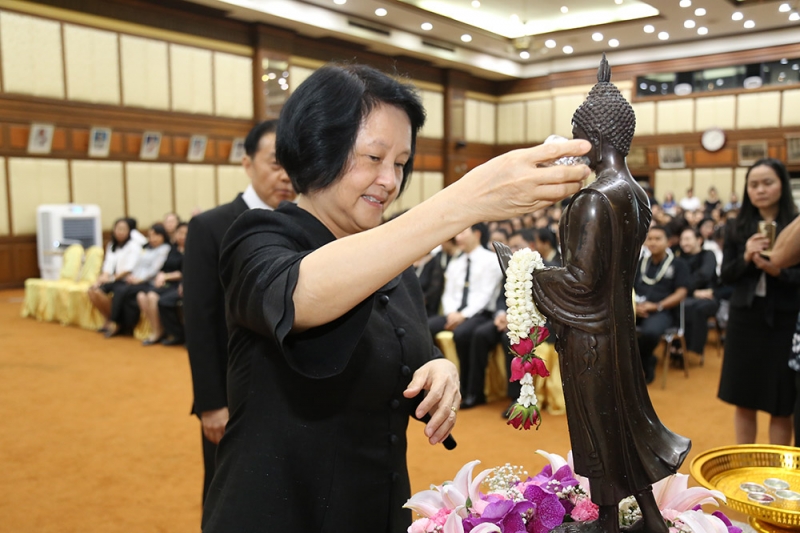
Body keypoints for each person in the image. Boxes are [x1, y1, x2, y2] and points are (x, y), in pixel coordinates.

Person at [201, 63, 590, 533]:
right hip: (278, 511)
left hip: (373, 507)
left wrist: (439, 369)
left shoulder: (393, 261)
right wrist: (466, 199)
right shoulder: (258, 237)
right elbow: (301, 296)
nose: (389, 180)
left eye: (401, 163)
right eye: (373, 157)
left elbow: (409, 353)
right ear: (317, 150)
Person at [525, 57, 691, 533]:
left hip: (591, 334)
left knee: (600, 428)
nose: (578, 148)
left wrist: (528, 275)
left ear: (596, 139)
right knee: (621, 423)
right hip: (618, 324)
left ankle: (608, 524)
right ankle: (650, 517)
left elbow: (581, 281)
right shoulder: (635, 192)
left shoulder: (596, 197)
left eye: (580, 139)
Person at [183, 119, 296, 504]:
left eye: (293, 164)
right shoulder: (210, 227)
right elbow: (199, 321)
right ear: (247, 163)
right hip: (233, 397)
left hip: (293, 398)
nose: (286, 175)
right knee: (228, 495)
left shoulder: (303, 227)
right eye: (276, 163)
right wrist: (211, 404)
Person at [718, 158, 800, 445]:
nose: (760, 190)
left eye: (768, 183)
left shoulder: (795, 225)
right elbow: (726, 276)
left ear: (782, 185)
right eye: (753, 184)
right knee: (745, 398)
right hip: (745, 319)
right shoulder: (736, 226)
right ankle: (745, 463)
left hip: (784, 319)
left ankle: (776, 467)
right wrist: (745, 257)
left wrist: (778, 270)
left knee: (781, 403)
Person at [428, 223, 504, 408]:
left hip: (481, 313)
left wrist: (463, 315)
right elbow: (448, 294)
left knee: (463, 334)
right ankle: (430, 383)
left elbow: (485, 295)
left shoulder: (491, 260)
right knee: (425, 327)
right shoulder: (456, 262)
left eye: (462, 233)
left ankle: (472, 391)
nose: (457, 238)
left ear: (477, 234)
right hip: (455, 313)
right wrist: (452, 314)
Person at [634, 225, 690, 383]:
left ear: (669, 242)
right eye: (650, 239)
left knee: (650, 333)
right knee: (616, 327)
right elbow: (628, 288)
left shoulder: (679, 264)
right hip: (637, 309)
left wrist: (657, 306)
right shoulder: (640, 263)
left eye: (658, 239)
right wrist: (634, 307)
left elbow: (681, 293)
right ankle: (640, 361)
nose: (653, 242)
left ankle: (644, 361)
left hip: (663, 311)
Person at [102, 223, 171, 337]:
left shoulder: (164, 248)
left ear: (163, 236)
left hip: (149, 282)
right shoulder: (146, 248)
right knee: (122, 291)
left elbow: (155, 269)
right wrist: (132, 276)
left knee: (121, 290)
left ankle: (116, 323)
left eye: (156, 235)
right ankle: (125, 325)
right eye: (150, 236)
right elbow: (137, 265)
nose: (153, 239)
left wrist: (139, 280)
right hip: (137, 280)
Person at [138, 222, 187, 346]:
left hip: (179, 284)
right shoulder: (172, 249)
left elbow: (185, 271)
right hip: (167, 283)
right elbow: (163, 266)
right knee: (144, 296)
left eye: (185, 233)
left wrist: (167, 276)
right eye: (179, 233)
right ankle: (157, 330)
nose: (182, 236)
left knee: (157, 298)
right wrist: (161, 275)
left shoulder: (192, 250)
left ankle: (174, 333)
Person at [88, 218, 143, 327]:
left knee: (113, 292)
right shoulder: (111, 245)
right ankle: (108, 318)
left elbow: (128, 269)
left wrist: (110, 279)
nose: (120, 232)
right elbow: (107, 265)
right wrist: (100, 280)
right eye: (118, 229)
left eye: (124, 229)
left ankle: (115, 321)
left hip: (126, 280)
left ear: (129, 231)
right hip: (112, 279)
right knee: (92, 290)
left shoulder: (134, 246)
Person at [677, 227, 719, 359]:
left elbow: (704, 275)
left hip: (709, 297)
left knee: (696, 309)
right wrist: (693, 292)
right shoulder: (679, 258)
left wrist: (685, 290)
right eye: (682, 239)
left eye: (687, 239)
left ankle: (692, 348)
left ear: (699, 240)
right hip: (688, 296)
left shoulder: (708, 255)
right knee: (680, 306)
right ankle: (678, 346)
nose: (684, 243)